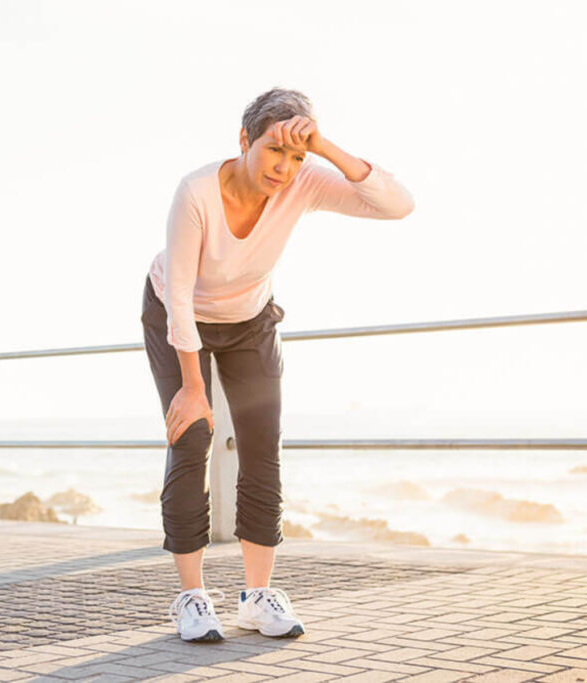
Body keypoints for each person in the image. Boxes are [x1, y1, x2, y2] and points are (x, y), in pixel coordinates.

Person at [141, 87, 415, 642]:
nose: (285, 167)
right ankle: (192, 598)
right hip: (176, 309)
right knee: (191, 437)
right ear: (243, 141)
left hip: (250, 320)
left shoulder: (305, 179)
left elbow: (397, 204)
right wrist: (193, 388)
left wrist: (324, 147)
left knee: (262, 446)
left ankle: (256, 597)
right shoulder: (196, 191)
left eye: (297, 154)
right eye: (274, 150)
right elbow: (182, 295)